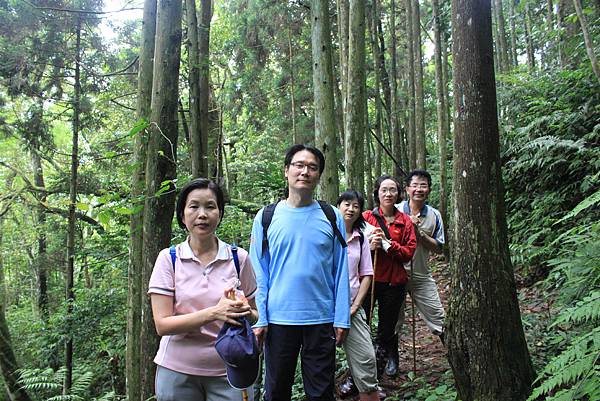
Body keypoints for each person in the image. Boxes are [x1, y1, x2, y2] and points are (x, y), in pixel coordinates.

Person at [250, 144, 350, 401]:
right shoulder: (267, 217)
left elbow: (340, 270)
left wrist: (342, 317)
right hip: (279, 319)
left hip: (321, 317)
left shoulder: (331, 216)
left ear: (318, 175)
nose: (305, 172)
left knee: (320, 393)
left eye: (312, 167)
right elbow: (259, 272)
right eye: (299, 165)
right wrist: (260, 317)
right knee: (276, 391)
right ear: (286, 171)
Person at [148, 178, 258, 401]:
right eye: (194, 206)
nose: (202, 214)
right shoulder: (169, 259)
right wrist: (214, 313)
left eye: (210, 206)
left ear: (220, 213)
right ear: (182, 215)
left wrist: (244, 312)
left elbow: (256, 314)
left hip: (231, 370)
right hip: (177, 372)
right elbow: (162, 324)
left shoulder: (239, 258)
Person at [363, 175, 417, 378]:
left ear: (399, 194)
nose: (388, 194)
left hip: (394, 282)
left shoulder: (406, 222)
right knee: (363, 325)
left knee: (386, 329)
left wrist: (389, 244)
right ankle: (360, 369)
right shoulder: (366, 217)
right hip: (369, 280)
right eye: (384, 189)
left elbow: (408, 253)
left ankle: (378, 368)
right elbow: (354, 247)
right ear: (377, 193)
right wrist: (370, 246)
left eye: (392, 190)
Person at [337, 190, 380, 401]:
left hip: (352, 308)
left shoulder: (360, 237)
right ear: (337, 206)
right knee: (320, 365)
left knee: (366, 358)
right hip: (324, 310)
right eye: (346, 204)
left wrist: (355, 306)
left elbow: (367, 274)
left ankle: (368, 393)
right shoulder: (325, 235)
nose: (351, 209)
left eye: (356, 205)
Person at [395, 170, 446, 342]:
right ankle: (390, 360)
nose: (418, 189)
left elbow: (439, 248)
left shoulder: (434, 215)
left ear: (429, 190)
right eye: (414, 185)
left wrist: (419, 233)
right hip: (395, 274)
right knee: (393, 320)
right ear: (407, 189)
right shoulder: (395, 210)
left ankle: (456, 355)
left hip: (421, 275)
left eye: (423, 186)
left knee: (440, 318)